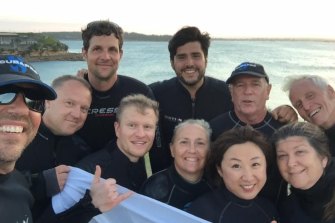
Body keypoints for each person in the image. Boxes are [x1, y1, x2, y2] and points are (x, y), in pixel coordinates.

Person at [149, 26, 297, 173]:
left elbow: (253, 111)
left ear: (205, 60)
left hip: (213, 184)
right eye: (181, 57)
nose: (189, 63)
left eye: (196, 56)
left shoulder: (226, 93)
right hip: (164, 185)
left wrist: (284, 112)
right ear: (172, 62)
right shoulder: (154, 94)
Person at [15, 75, 93, 221]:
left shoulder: (82, 150)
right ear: (48, 102)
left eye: (84, 109)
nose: (77, 114)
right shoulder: (16, 137)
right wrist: (40, 184)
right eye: (69, 103)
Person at [209, 61, 287, 205]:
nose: (247, 91)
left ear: (268, 91)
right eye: (240, 85)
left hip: (275, 212)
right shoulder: (215, 128)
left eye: (255, 84)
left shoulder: (284, 131)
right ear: (231, 93)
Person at [72, 94, 159, 222]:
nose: (141, 134)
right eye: (132, 125)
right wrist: (90, 204)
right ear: (117, 129)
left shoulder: (148, 163)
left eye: (147, 127)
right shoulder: (89, 172)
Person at [76, 20, 155, 153]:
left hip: (126, 171)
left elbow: (156, 148)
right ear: (85, 53)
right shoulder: (71, 93)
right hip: (76, 171)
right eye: (97, 49)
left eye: (112, 50)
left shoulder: (139, 93)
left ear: (120, 54)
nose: (106, 57)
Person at [0, 54, 56, 222]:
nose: (22, 110)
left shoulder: (19, 186)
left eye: (33, 100)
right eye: (3, 93)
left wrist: (42, 181)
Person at [188, 126, 279, 223]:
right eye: (236, 166)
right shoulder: (202, 212)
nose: (248, 177)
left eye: (255, 164)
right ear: (220, 170)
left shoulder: (269, 208)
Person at [140, 119, 213, 211]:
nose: (192, 150)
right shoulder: (153, 188)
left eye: (200, 143)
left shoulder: (218, 186)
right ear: (172, 149)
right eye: (184, 142)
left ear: (209, 151)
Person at [272, 122, 335, 223]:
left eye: (300, 152)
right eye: (282, 156)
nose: (290, 163)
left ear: (323, 159)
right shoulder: (286, 209)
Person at [282, 74, 335, 156]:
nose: (306, 106)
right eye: (299, 105)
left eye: (310, 96)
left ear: (330, 91)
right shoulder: (313, 142)